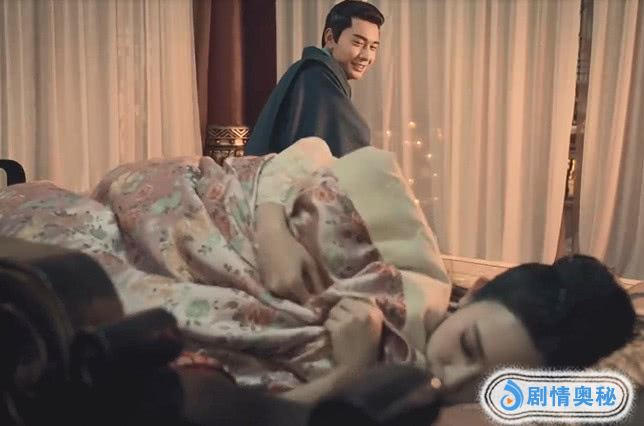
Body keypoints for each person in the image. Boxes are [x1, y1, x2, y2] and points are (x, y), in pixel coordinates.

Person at [283, 254, 636, 404]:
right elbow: (308, 155)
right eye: (467, 346)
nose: (450, 381)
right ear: (474, 292)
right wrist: (274, 228)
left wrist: (346, 375)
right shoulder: (414, 280)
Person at [245, 0, 383, 157]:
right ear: (330, 38)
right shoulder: (317, 78)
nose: (366, 56)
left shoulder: (314, 72)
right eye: (358, 43)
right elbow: (353, 140)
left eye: (373, 47)